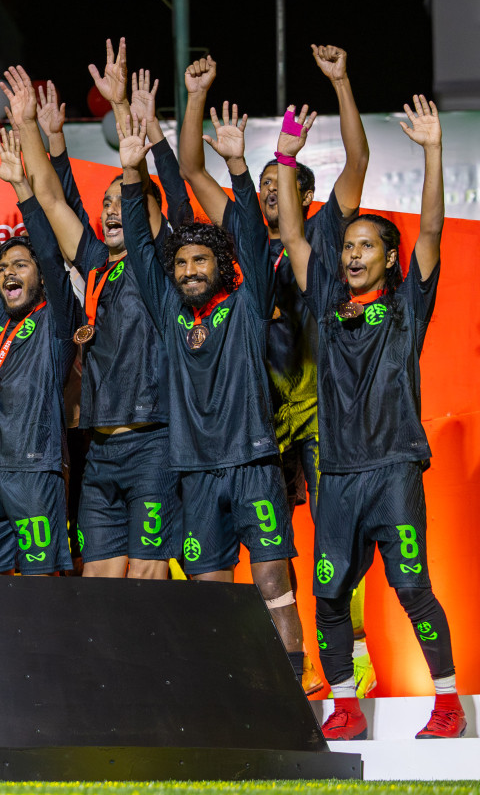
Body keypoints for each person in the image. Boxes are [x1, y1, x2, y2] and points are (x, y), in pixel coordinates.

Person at [180, 48, 372, 694]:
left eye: (278, 182)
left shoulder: (321, 232)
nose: (267, 191)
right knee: (272, 554)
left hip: (316, 414)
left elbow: (358, 162)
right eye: (260, 184)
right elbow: (190, 167)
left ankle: (352, 658)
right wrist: (196, 97)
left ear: (303, 193)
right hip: (257, 425)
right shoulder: (237, 238)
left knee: (337, 537)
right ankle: (288, 670)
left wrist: (341, 83)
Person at [275, 99, 464, 739]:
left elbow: (431, 232)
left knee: (413, 588)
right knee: (329, 597)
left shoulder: (408, 307)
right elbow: (295, 237)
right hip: (337, 475)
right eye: (349, 245)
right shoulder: (326, 306)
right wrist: (285, 161)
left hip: (392, 472)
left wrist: (432, 151)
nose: (353, 254)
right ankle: (346, 708)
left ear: (388, 258)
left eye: (366, 246)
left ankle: (448, 704)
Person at [116, 103, 305, 680]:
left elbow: (252, 238)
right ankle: (227, 695)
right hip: (193, 470)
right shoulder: (169, 307)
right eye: (181, 263)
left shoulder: (247, 305)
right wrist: (131, 175)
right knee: (210, 593)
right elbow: (141, 251)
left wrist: (239, 168)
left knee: (272, 583)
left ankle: (294, 691)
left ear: (221, 266)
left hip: (251, 462)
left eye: (201, 260)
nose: (189, 270)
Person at [6, 59, 190, 580]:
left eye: (122, 202)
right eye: (105, 203)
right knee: (100, 586)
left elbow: (154, 190)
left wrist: (122, 108)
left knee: (146, 583)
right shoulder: (94, 265)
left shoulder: (162, 265)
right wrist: (27, 124)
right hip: (100, 447)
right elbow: (49, 197)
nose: (112, 210)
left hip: (153, 443)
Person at [0, 126, 79, 576]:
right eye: (3, 266)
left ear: (41, 276)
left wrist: (22, 189)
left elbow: (50, 253)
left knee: (39, 585)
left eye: (20, 265)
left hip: (34, 470)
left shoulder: (58, 319)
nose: (8, 272)